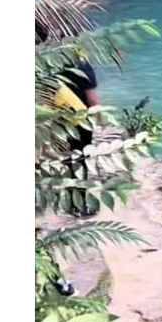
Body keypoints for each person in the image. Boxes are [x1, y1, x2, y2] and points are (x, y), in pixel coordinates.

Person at [58, 57, 101, 217]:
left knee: (67, 161)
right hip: (78, 120)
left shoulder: (46, 61)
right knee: (79, 161)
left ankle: (69, 200)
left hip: (53, 120)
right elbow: (92, 98)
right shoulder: (81, 63)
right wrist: (100, 119)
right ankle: (79, 204)